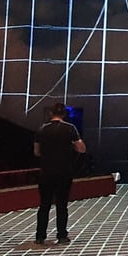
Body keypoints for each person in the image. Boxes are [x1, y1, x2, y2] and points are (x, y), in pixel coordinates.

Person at [33, 102, 86, 245]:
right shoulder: (70, 129)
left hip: (46, 172)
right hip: (64, 171)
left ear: (51, 113)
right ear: (64, 114)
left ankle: (40, 236)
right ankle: (62, 235)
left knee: (44, 205)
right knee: (62, 205)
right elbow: (81, 148)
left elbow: (36, 152)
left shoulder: (42, 129)